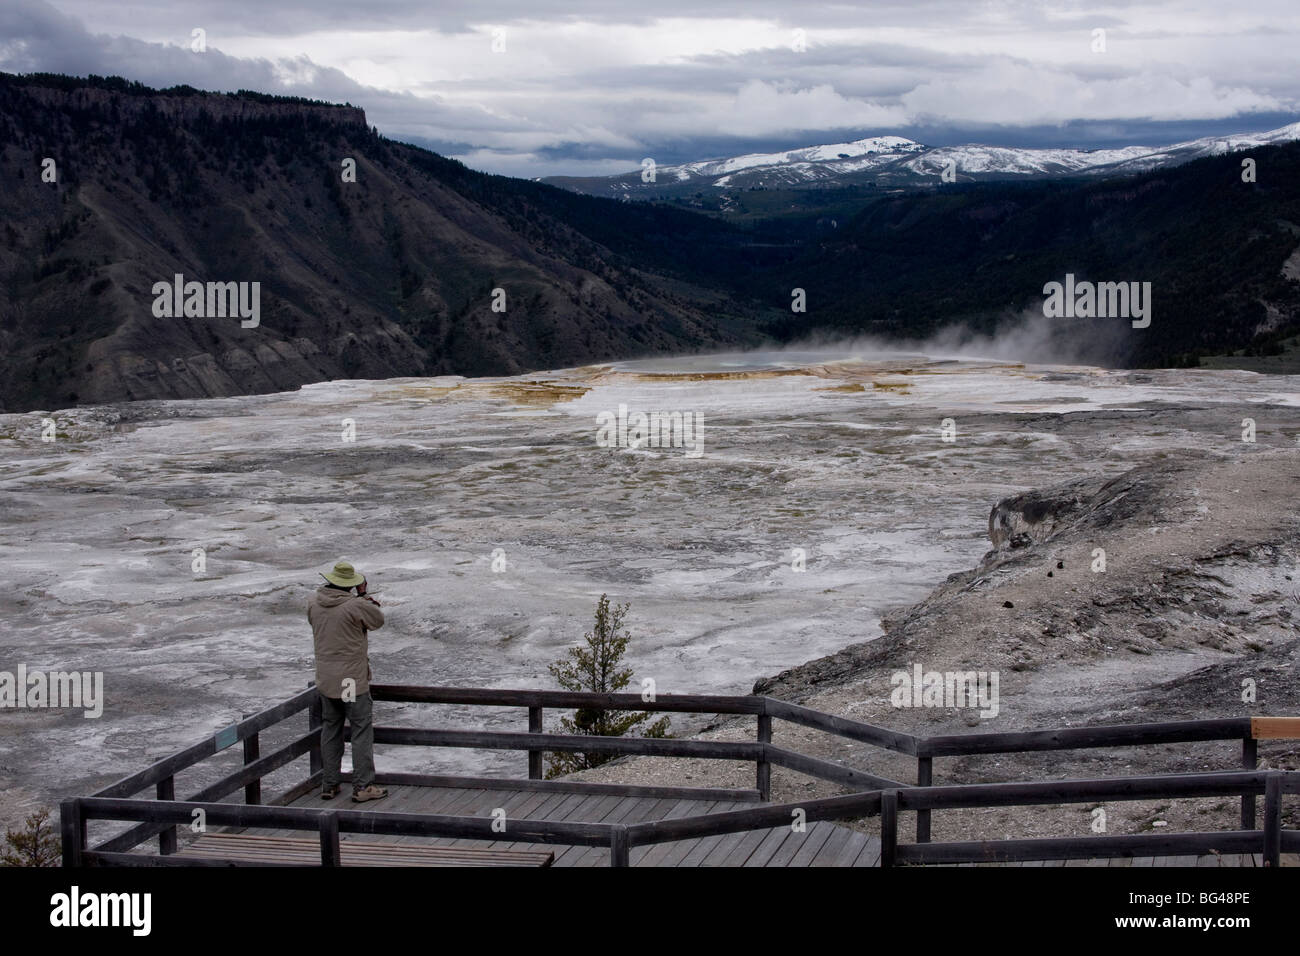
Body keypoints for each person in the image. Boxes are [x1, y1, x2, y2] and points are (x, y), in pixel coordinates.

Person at [307, 559, 388, 802]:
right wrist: (363, 596)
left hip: (325, 677)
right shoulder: (354, 605)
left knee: (331, 728)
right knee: (361, 730)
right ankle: (363, 786)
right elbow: (378, 620)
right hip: (351, 679)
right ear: (350, 585)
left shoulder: (313, 603)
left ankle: (329, 784)